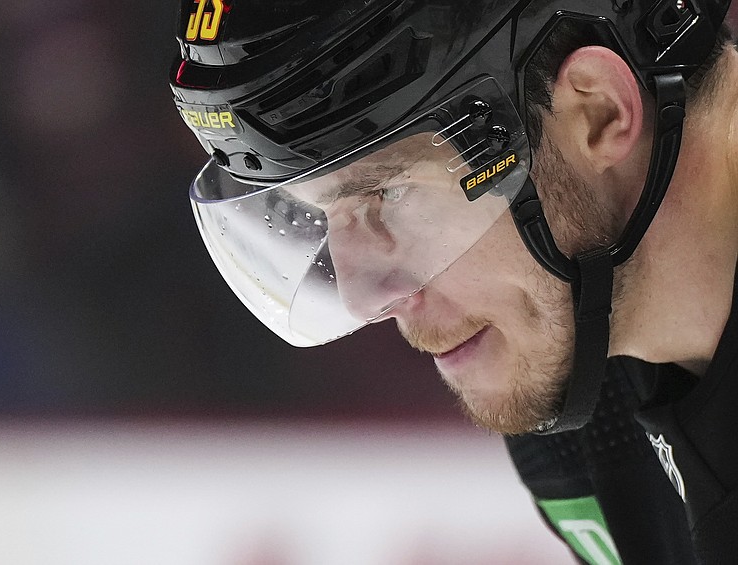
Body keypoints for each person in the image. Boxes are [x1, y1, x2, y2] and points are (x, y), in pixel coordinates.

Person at [170, 0, 737, 562]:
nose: (361, 297)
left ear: (598, 113)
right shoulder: (576, 392)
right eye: (320, 217)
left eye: (388, 193)